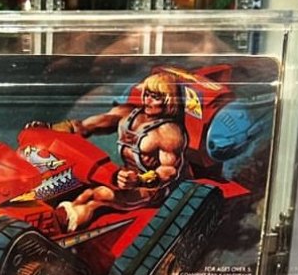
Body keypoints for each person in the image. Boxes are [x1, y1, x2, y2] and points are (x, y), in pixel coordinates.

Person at [34, 71, 188, 231]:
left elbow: (169, 171)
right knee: (81, 189)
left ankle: (57, 228)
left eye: (155, 97)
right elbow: (88, 126)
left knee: (98, 195)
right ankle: (49, 219)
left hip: (151, 190)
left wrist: (140, 180)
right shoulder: (129, 113)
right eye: (147, 94)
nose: (147, 100)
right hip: (123, 177)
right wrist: (51, 128)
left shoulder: (170, 132)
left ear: (169, 101)